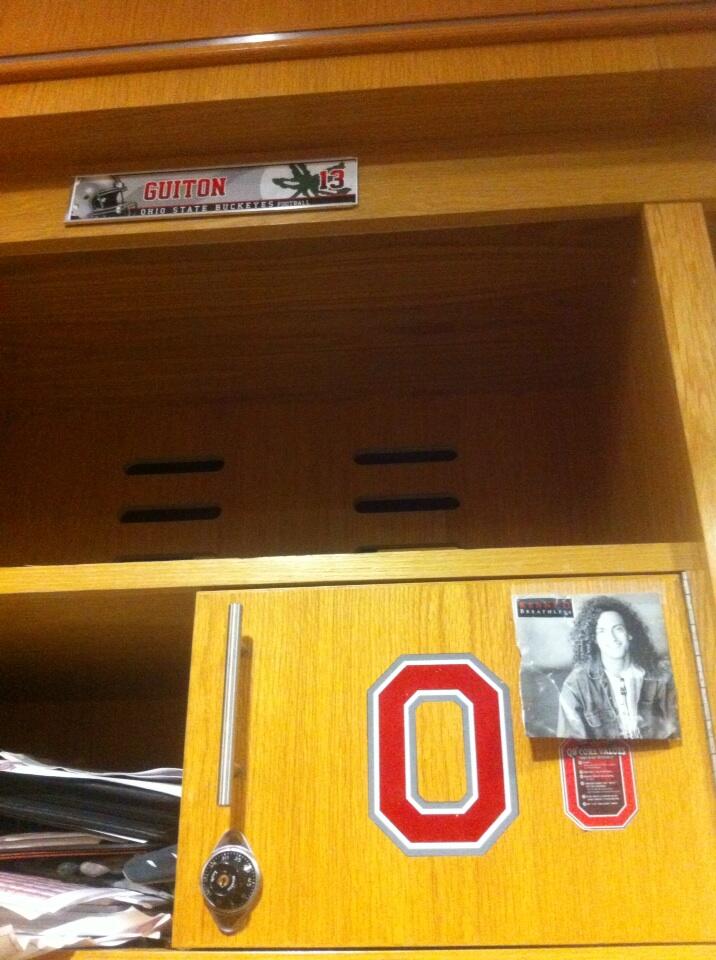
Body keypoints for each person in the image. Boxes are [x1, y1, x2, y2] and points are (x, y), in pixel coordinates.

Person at [556, 596, 678, 739]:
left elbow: (678, 732)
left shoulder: (661, 676)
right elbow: (570, 743)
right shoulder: (575, 686)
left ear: (630, 633)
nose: (612, 637)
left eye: (618, 629)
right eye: (601, 631)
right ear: (594, 639)